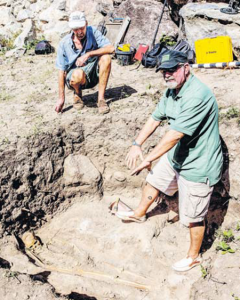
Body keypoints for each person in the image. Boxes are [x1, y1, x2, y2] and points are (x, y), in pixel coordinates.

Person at [116, 50, 223, 272]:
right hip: (178, 156)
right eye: (164, 71)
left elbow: (175, 135)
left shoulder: (197, 95)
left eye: (172, 69)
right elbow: (155, 118)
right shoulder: (172, 91)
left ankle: (193, 256)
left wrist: (148, 158)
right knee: (155, 179)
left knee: (193, 216)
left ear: (186, 67)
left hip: (198, 164)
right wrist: (137, 144)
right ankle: (139, 213)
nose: (167, 75)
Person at [55, 11, 115, 114]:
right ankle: (77, 94)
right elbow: (61, 71)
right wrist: (61, 98)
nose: (79, 32)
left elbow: (111, 48)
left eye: (81, 28)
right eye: (75, 29)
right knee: (77, 74)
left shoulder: (93, 32)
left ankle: (101, 99)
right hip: (75, 77)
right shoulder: (64, 43)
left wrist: (89, 54)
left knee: (106, 58)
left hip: (92, 72)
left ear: (86, 24)